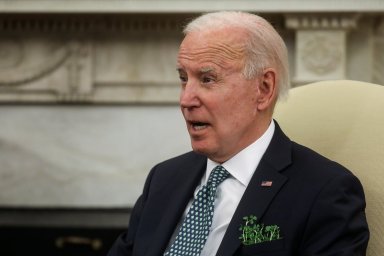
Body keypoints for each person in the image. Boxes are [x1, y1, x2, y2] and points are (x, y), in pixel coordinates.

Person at [108, 11, 369, 256]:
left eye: (207, 79)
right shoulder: (164, 179)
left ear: (264, 89)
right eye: (184, 78)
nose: (186, 99)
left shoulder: (326, 192)